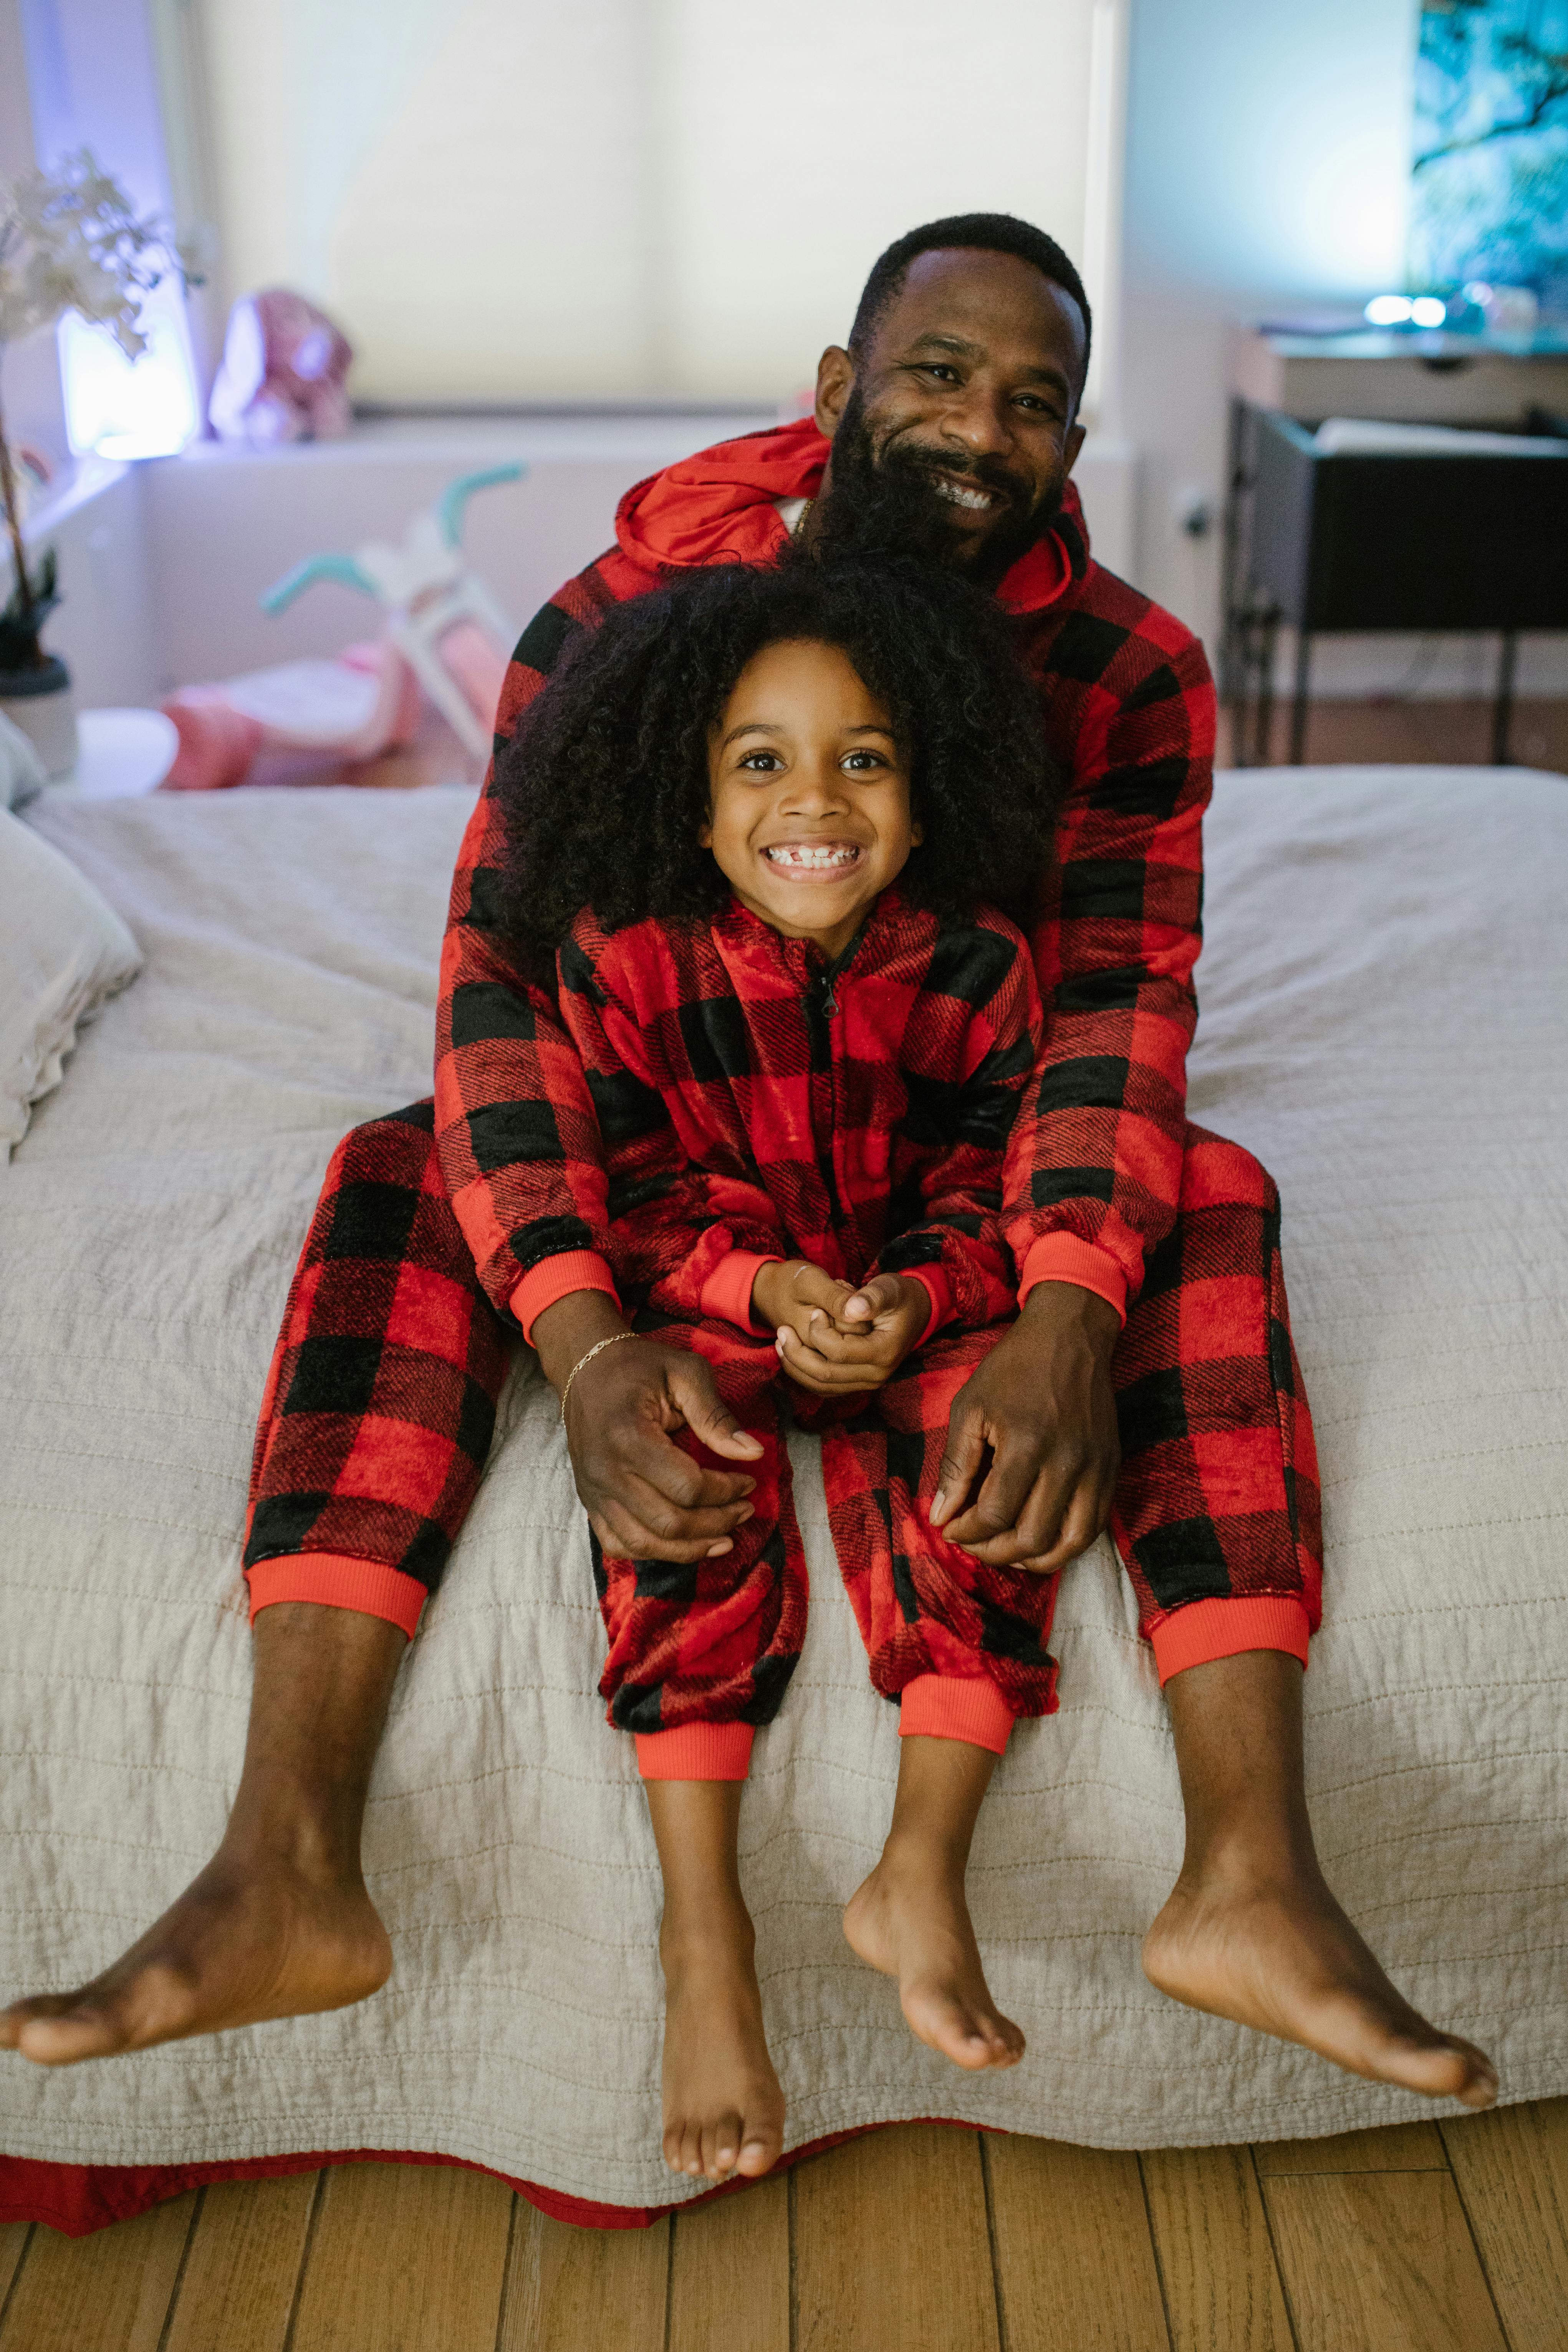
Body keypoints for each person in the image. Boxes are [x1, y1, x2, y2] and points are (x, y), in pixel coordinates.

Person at [2, 214, 1498, 2132]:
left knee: (1196, 1185)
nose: (983, 428)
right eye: (939, 374)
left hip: (952, 1144)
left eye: (1036, 402)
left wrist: (1056, 1309)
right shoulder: (624, 612)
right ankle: (285, 1857)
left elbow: (1115, 1011)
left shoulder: (1128, 670)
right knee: (406, 1168)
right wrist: (591, 1334)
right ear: (834, 393)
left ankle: (1248, 1872)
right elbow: (500, 986)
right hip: (683, 1153)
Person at [494, 552, 1061, 2180]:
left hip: (908, 1311)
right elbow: (638, 1194)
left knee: (992, 1488)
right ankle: (703, 1934)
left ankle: (919, 1867)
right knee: (675, 1488)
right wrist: (759, 1288)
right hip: (725, 1319)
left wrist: (919, 1290)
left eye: (862, 757)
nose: (814, 800)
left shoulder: (975, 967)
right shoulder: (627, 959)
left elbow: (986, 1174)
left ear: (923, 782)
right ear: (684, 798)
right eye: (759, 761)